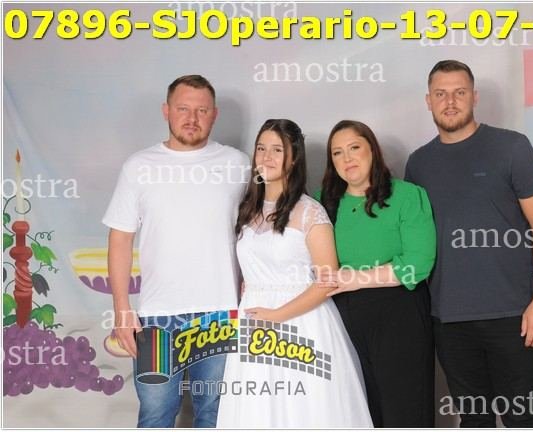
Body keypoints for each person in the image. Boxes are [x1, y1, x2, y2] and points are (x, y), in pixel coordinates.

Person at [405, 59, 533, 427]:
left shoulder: (512, 147)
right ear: (428, 101)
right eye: (441, 94)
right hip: (449, 319)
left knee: (524, 420)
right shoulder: (418, 164)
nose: (450, 102)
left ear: (474, 97)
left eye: (459, 92)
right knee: (474, 422)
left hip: (512, 314)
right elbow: (415, 240)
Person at [103, 75, 249, 428]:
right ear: (166, 111)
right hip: (156, 319)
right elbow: (120, 239)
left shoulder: (239, 164)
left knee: (214, 415)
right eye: (183, 109)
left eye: (202, 110)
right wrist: (122, 309)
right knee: (155, 415)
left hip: (221, 315)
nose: (192, 118)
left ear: (214, 115)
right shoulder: (139, 166)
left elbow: (258, 229)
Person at [216, 119, 372, 428]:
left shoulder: (310, 212)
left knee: (304, 410)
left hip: (302, 323)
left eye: (277, 150)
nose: (267, 157)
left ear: (294, 158)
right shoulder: (245, 210)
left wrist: (277, 315)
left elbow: (327, 280)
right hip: (254, 324)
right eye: (261, 148)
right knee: (257, 411)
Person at [318, 120, 437, 427]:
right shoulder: (323, 204)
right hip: (341, 317)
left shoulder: (407, 196)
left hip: (399, 314)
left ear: (372, 150)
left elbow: (418, 263)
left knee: (404, 412)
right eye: (337, 153)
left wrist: (355, 279)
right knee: (358, 413)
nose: (347, 158)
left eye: (354, 147)